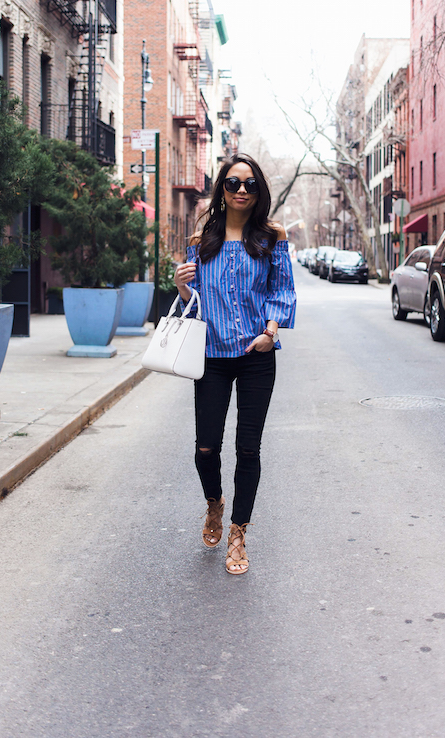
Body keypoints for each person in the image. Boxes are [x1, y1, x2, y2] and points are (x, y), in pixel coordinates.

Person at [174, 154, 296, 575]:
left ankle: (239, 532)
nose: (241, 190)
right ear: (222, 190)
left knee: (248, 448)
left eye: (249, 184)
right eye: (232, 183)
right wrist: (181, 286)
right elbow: (195, 304)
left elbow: (283, 291)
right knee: (205, 448)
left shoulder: (271, 237)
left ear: (258, 191)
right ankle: (214, 502)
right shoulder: (200, 241)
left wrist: (271, 331)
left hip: (256, 358)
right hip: (211, 357)